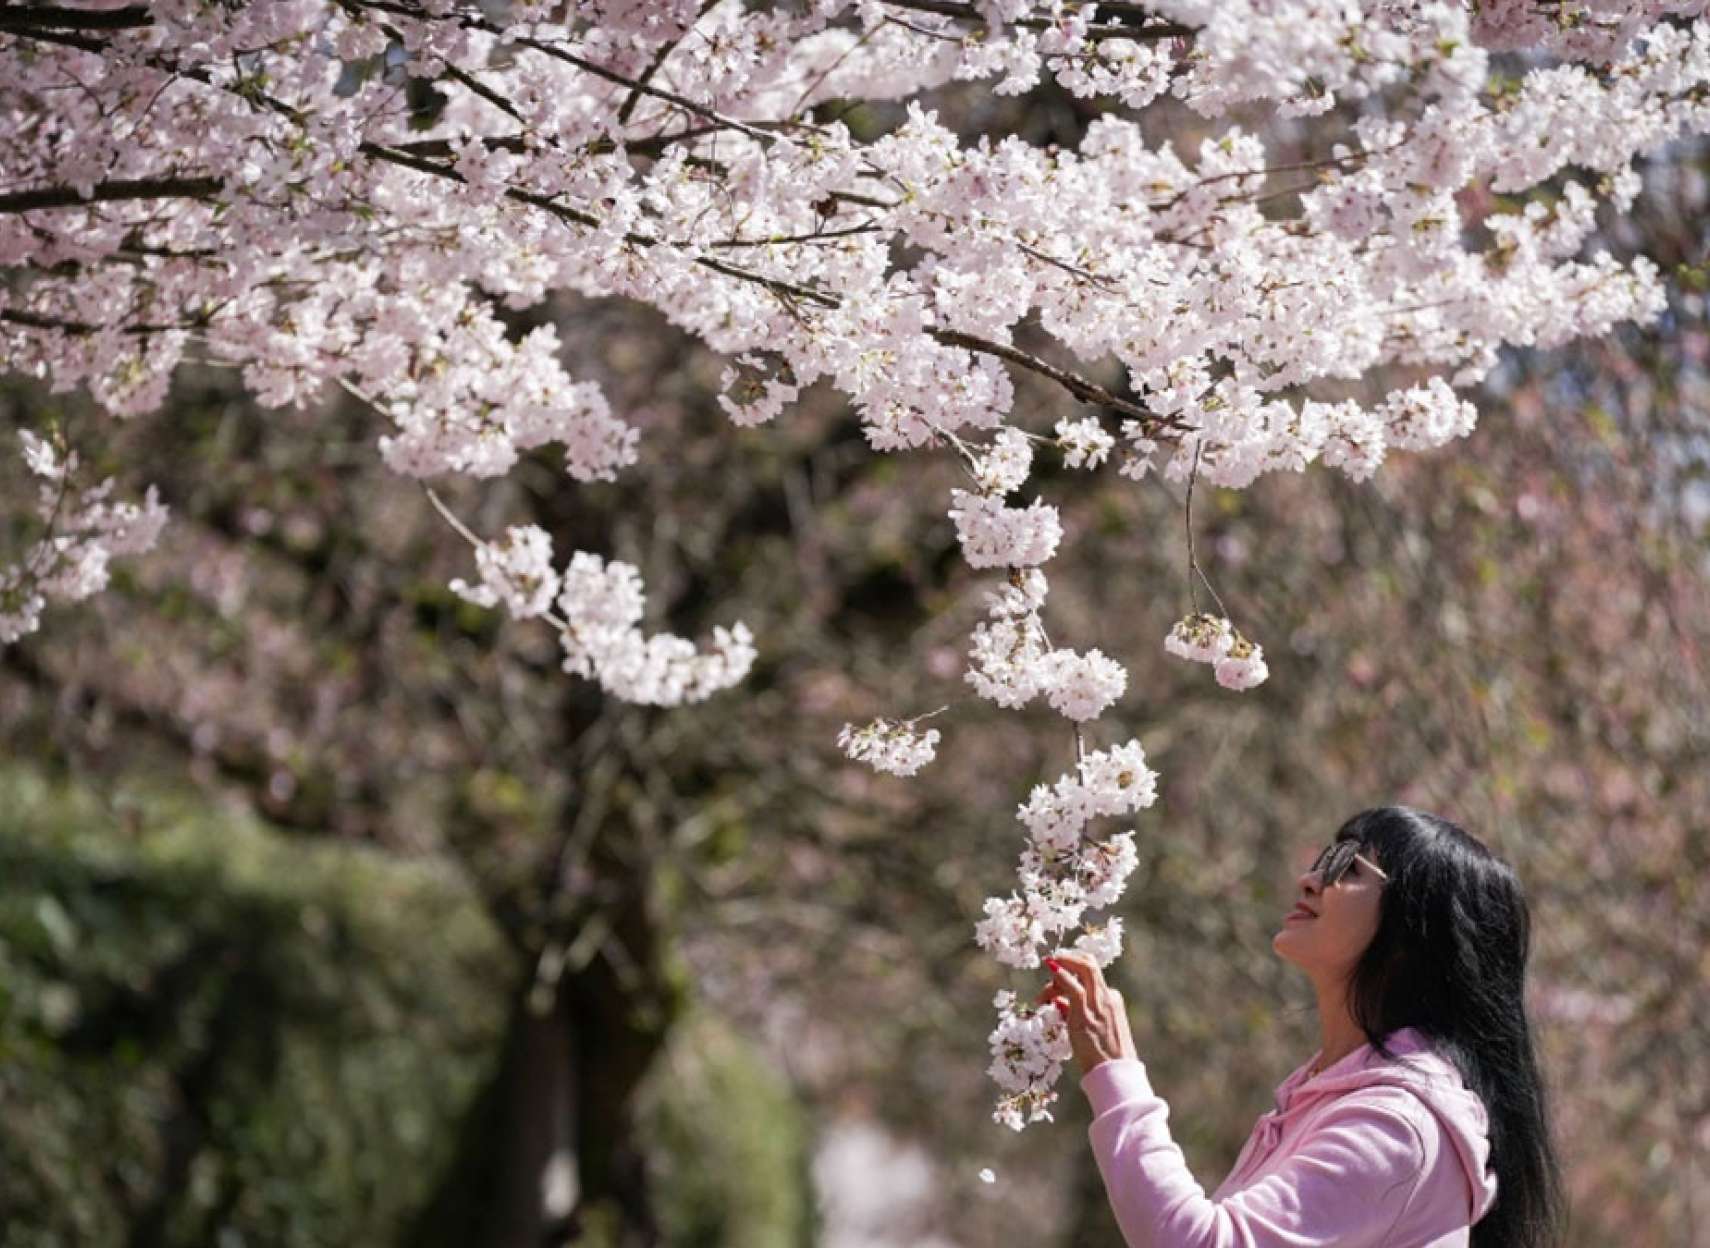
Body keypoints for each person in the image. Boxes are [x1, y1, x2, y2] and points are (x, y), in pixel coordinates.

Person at [1040, 806, 1567, 1248]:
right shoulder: (1330, 1096)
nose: (1310, 879)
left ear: (1414, 932)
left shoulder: (1397, 1127)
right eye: (1323, 859)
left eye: (1347, 867)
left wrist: (1115, 1072)